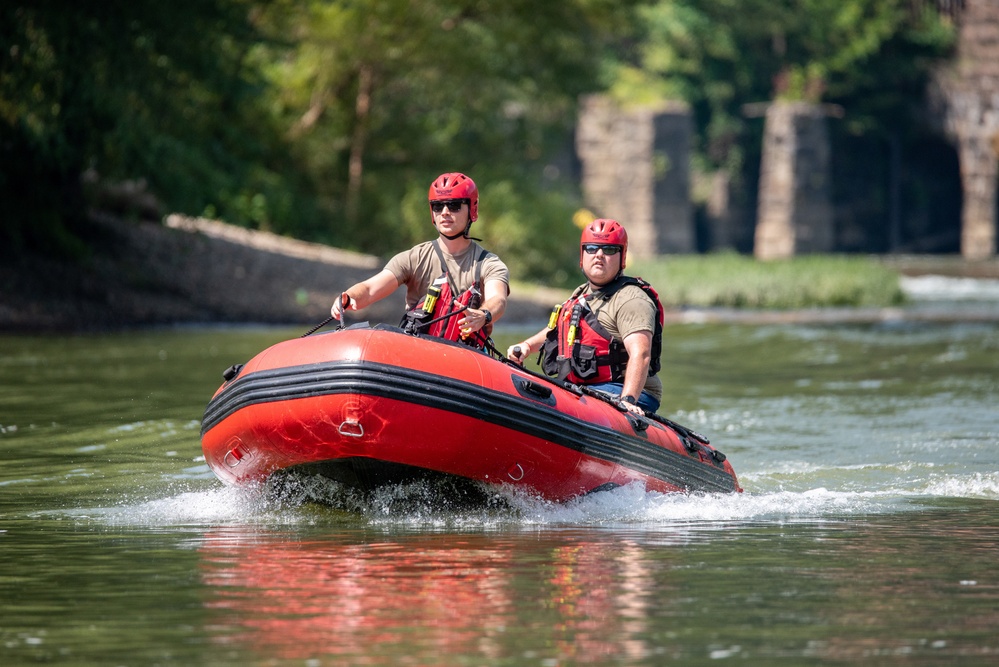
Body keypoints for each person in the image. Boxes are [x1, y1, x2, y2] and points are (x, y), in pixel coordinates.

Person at [331, 172, 509, 347]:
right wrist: (349, 296)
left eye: (454, 205)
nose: (445, 212)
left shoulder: (489, 263)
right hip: (418, 351)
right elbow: (370, 289)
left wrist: (483, 315)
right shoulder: (414, 258)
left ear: (472, 209)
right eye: (438, 206)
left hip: (468, 356)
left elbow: (498, 299)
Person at [507, 219, 664, 415]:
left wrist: (628, 400)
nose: (599, 255)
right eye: (592, 248)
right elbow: (556, 329)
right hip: (585, 389)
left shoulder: (632, 299)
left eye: (608, 250)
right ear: (582, 256)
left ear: (622, 258)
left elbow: (640, 353)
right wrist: (527, 346)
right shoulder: (581, 294)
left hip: (625, 390)